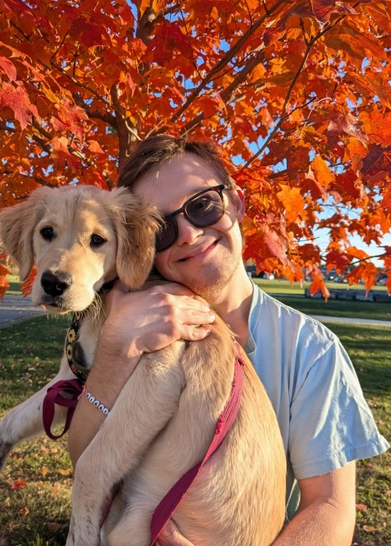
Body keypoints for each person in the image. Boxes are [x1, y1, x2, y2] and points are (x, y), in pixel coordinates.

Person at [68, 134, 389, 545]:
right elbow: (85, 458)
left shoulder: (310, 349)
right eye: (160, 229)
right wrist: (115, 350)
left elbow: (330, 506)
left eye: (202, 206)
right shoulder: (123, 322)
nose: (186, 234)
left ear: (235, 202)